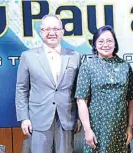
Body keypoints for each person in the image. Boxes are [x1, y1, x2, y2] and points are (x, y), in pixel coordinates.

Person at [15, 14, 81, 153]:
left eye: (56, 29)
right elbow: (22, 89)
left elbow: (78, 90)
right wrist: (24, 118)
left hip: (67, 118)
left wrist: (79, 117)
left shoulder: (74, 56)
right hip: (38, 119)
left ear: (62, 32)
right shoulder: (28, 56)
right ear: (41, 32)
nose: (52, 33)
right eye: (47, 29)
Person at [75, 25, 133, 153]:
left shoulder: (125, 66)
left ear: (115, 43)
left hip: (120, 128)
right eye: (101, 41)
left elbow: (131, 100)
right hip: (96, 129)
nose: (105, 44)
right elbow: (81, 101)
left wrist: (130, 127)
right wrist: (87, 130)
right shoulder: (88, 66)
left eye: (109, 41)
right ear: (95, 45)